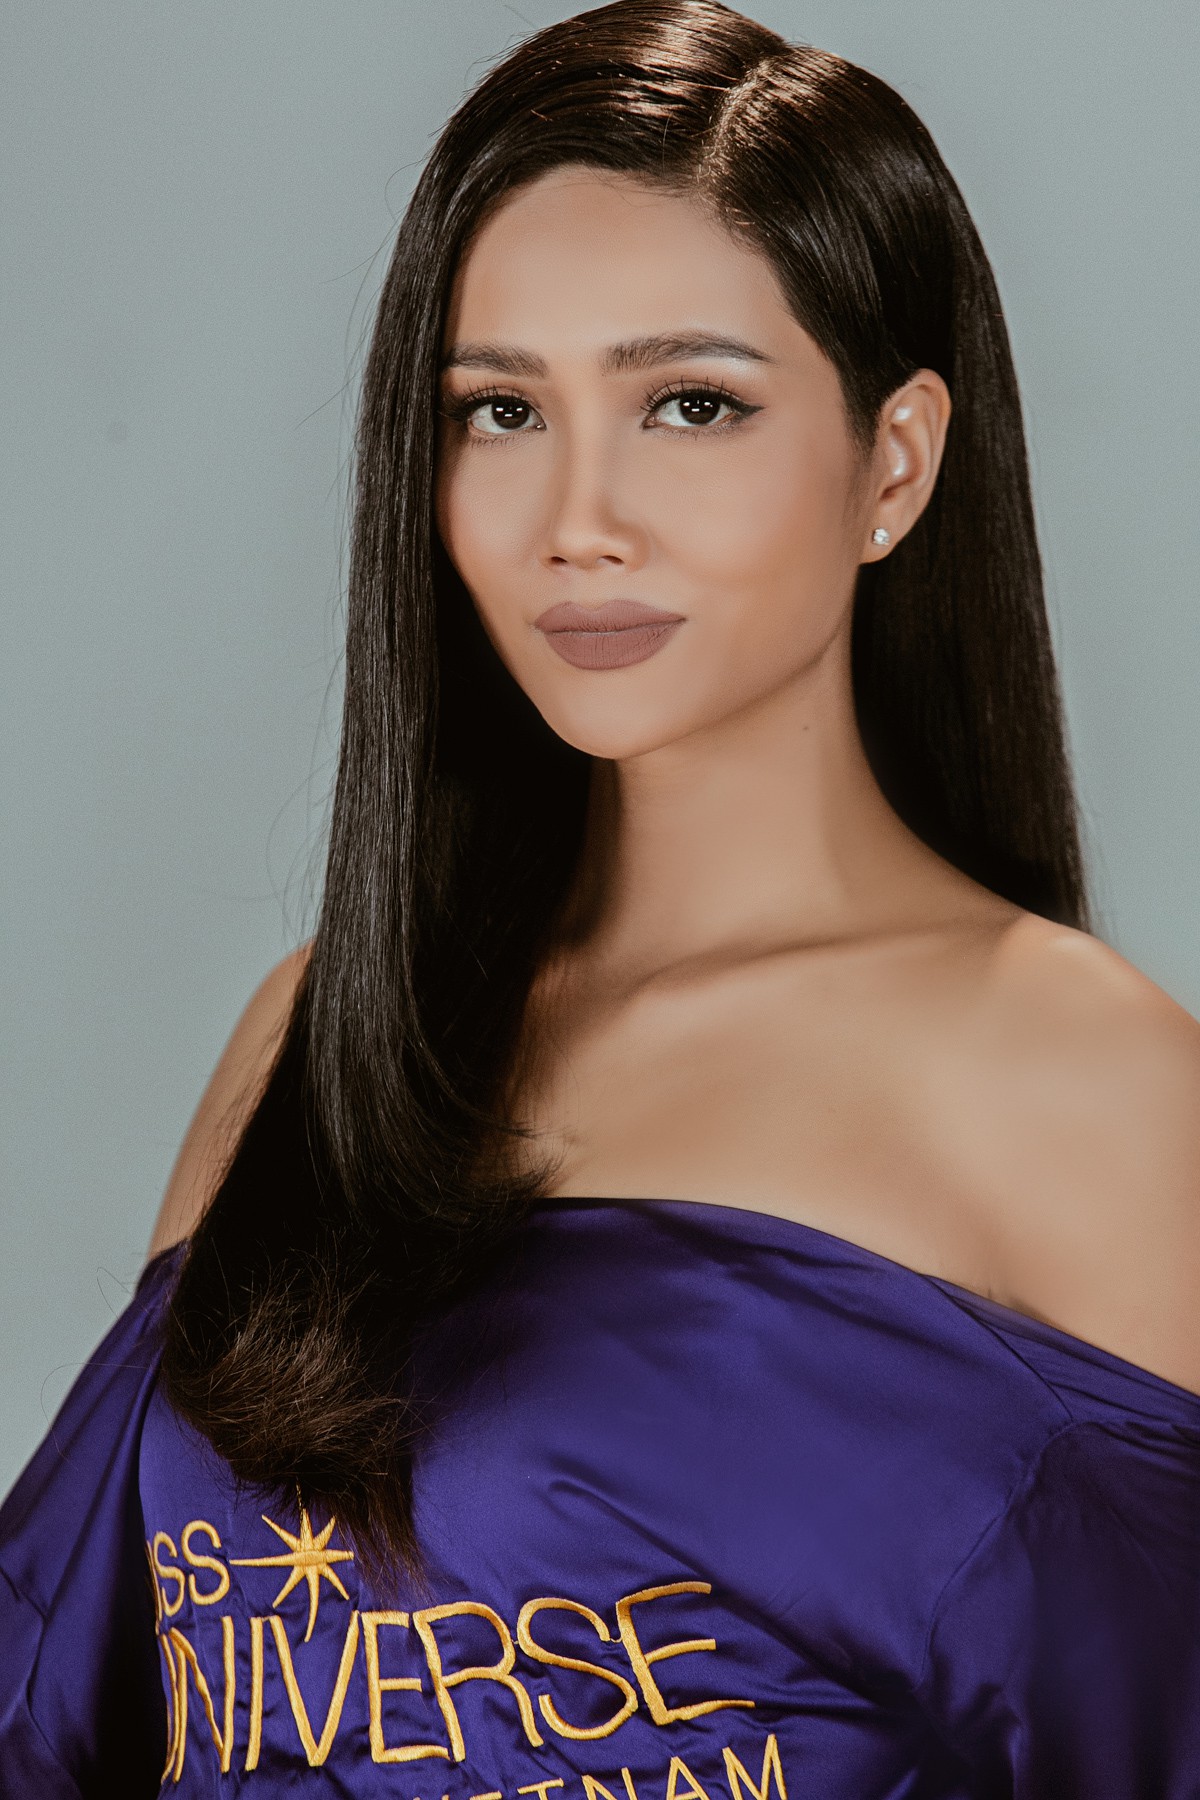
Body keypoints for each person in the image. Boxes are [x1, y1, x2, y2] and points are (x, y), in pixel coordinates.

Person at [3, 2, 1199, 1794]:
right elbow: (66, 1702)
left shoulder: (1086, 1086)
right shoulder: (323, 1034)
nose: (579, 518)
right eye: (500, 411)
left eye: (689, 404)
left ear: (894, 461)